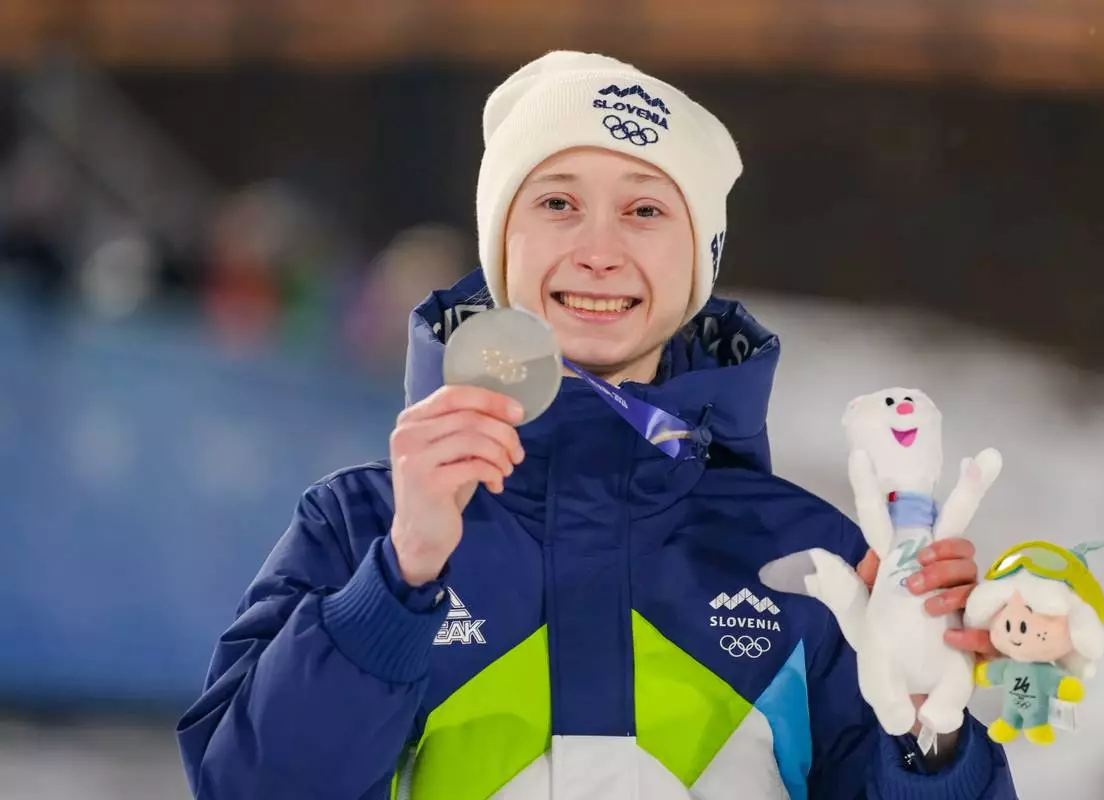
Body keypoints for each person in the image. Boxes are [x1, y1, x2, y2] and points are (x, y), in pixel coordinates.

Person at [177, 51, 1017, 799]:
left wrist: (926, 741)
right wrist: (400, 581)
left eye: (646, 211)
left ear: (699, 260)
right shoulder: (358, 528)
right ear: (501, 242)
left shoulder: (807, 559)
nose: (599, 250)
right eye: (556, 202)